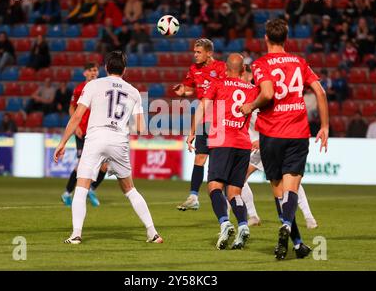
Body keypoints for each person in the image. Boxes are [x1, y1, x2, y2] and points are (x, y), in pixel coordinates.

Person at [240, 19, 329, 260]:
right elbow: (320, 91)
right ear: (286, 38)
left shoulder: (260, 64)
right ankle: (294, 237)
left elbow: (267, 93)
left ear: (266, 38)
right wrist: (325, 126)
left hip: (271, 135)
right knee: (292, 190)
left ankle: (295, 239)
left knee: (279, 192)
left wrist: (251, 105)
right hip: (297, 132)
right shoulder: (300, 62)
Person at [54, 51, 163, 245]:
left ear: (105, 68)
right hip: (118, 141)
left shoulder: (93, 85)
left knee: (82, 186)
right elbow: (141, 128)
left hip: (95, 138)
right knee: (130, 189)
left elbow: (77, 116)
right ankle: (153, 233)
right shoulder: (133, 91)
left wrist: (62, 143)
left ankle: (76, 235)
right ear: (124, 70)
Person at [187, 53, 257, 250]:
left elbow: (202, 107)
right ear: (244, 70)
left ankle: (225, 224)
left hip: (222, 141)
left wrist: (192, 132)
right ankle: (243, 225)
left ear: (225, 69)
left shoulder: (218, 83)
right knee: (235, 192)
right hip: (243, 144)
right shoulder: (252, 90)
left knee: (215, 187)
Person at [240, 66, 318, 229]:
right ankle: (253, 216)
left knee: (287, 181)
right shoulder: (244, 94)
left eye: (243, 75)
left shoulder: (260, 94)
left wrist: (262, 140)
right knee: (238, 178)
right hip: (259, 147)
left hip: (269, 143)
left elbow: (272, 118)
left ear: (248, 76)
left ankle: (306, 218)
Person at [173, 38, 226, 211]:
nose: (195, 55)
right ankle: (193, 196)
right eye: (194, 52)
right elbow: (189, 89)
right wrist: (182, 92)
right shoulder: (193, 69)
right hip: (204, 119)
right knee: (200, 158)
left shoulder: (221, 68)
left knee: (219, 163)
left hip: (221, 119)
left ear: (209, 53)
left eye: (199, 52)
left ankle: (230, 199)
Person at [61, 63, 106, 207]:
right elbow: (72, 107)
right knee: (82, 165)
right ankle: (67, 193)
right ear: (84, 73)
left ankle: (90, 190)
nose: (93, 72)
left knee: (105, 165)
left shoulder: (102, 87)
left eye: (95, 70)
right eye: (90, 70)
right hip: (82, 132)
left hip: (97, 132)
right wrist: (77, 127)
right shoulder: (79, 89)